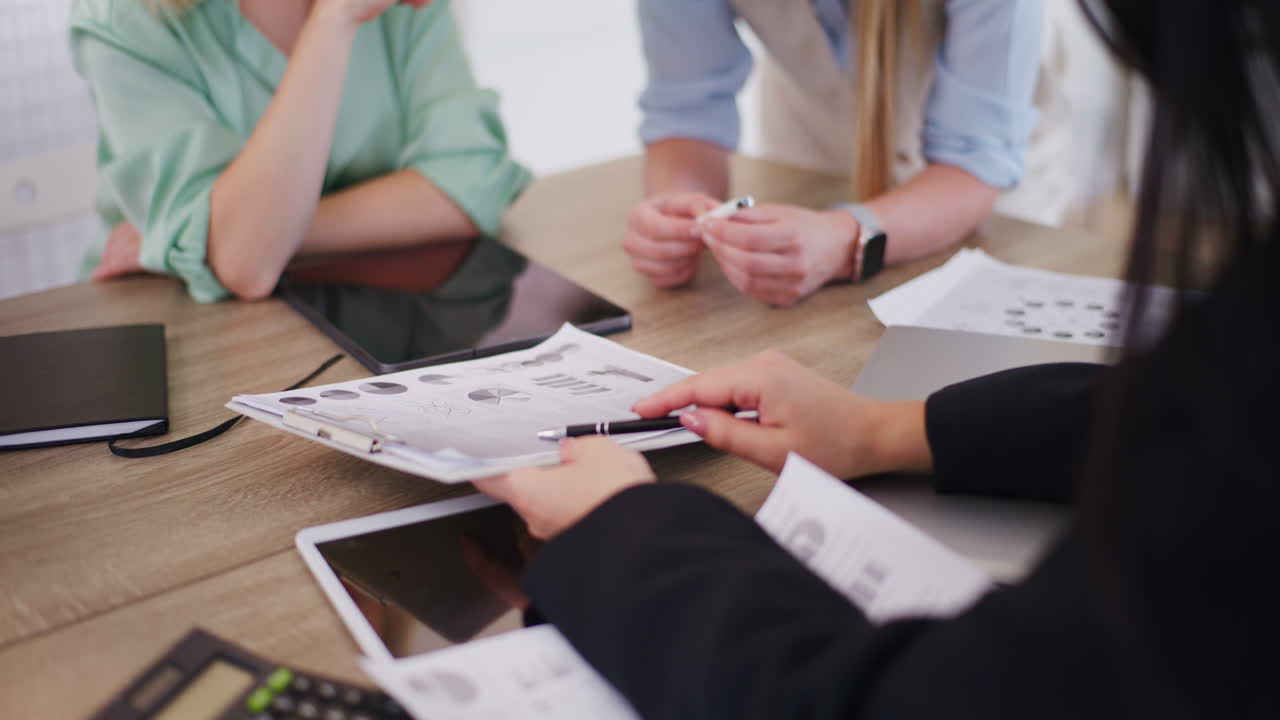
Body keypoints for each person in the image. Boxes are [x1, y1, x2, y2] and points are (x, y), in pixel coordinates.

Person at [475, 0, 1280, 716]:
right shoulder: (1224, 395)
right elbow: (1190, 415)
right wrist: (885, 430)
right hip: (824, 181)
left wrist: (627, 530)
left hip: (972, 221)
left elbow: (925, 695)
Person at [622, 0, 1128, 306]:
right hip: (815, 129)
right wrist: (677, 208)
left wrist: (842, 241)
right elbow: (686, 109)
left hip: (990, 176)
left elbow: (974, 161)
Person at [70, 0, 532, 302]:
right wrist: (335, 18)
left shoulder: (401, 7)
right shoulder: (121, 18)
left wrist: (252, 234)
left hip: (370, 298)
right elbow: (246, 268)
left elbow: (472, 182)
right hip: (174, 317)